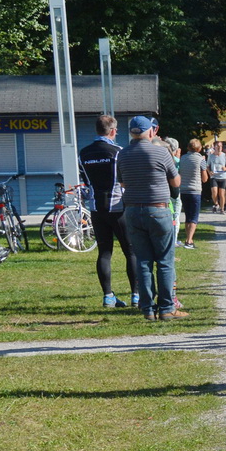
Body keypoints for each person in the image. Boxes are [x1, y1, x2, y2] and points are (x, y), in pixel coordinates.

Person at [117, 115, 187, 321]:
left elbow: (122, 183)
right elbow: (176, 181)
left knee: (143, 260)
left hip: (132, 210)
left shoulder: (123, 154)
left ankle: (147, 308)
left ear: (131, 132)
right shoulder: (160, 152)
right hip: (158, 209)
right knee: (165, 260)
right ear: (150, 132)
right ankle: (166, 308)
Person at [77, 114, 135, 309]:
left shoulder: (83, 153)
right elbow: (126, 177)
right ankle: (136, 295)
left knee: (104, 252)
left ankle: (108, 296)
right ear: (112, 131)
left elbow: (85, 180)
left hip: (96, 208)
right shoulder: (118, 151)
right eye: (116, 130)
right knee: (131, 251)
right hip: (118, 207)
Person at [176, 138, 206, 249]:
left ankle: (188, 238)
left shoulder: (183, 158)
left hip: (183, 190)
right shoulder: (201, 160)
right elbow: (204, 178)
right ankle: (189, 240)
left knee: (188, 216)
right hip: (195, 190)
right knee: (194, 217)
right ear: (199, 148)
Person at [207, 139, 226, 213]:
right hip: (214, 176)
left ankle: (222, 209)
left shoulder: (224, 155)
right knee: (214, 192)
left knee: (222, 193)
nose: (219, 147)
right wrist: (209, 172)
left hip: (223, 176)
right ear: (214, 147)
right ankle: (216, 204)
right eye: (217, 146)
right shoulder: (211, 156)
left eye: (221, 146)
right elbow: (207, 166)